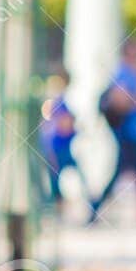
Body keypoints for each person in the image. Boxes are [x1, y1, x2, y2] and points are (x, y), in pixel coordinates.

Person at [89, 41, 136, 223]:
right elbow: (122, 99)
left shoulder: (130, 73)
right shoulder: (124, 73)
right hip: (127, 132)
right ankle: (94, 210)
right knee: (130, 173)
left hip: (133, 131)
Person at [39, 73, 87, 205]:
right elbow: (63, 126)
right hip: (57, 147)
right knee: (55, 180)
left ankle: (85, 202)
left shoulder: (59, 102)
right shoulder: (58, 102)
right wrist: (76, 128)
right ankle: (55, 207)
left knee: (58, 178)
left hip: (59, 147)